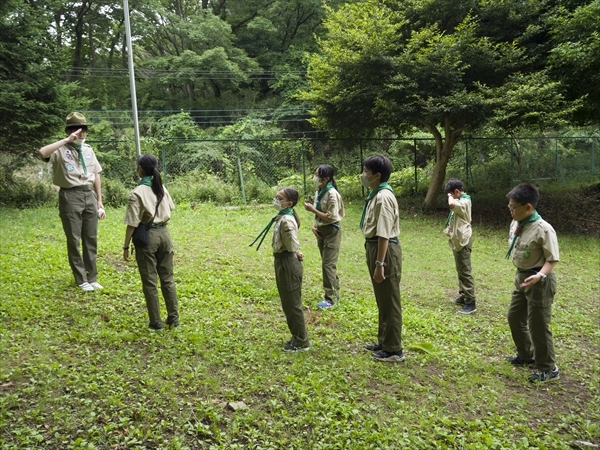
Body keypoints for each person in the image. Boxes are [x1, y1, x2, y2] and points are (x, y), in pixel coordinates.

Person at [39, 112, 105, 292]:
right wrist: (66, 140)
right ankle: (81, 279)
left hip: (89, 195)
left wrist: (99, 200)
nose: (81, 132)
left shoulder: (88, 149)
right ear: (69, 130)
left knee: (90, 238)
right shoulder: (60, 150)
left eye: (84, 129)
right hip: (70, 196)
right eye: (77, 129)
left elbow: (96, 175)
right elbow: (42, 152)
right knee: (74, 239)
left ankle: (92, 277)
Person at [505, 183, 560, 382]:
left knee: (538, 324)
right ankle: (526, 355)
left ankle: (548, 368)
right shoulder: (517, 223)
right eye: (509, 207)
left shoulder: (544, 229)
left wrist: (540, 275)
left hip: (540, 280)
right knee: (514, 316)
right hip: (522, 277)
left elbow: (552, 259)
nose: (510, 211)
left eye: (513, 207)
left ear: (528, 207)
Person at [123, 154, 178, 330]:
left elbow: (132, 223)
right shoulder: (161, 187)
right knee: (168, 278)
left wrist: (125, 246)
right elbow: (170, 208)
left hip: (148, 237)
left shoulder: (137, 192)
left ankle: (155, 321)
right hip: (165, 235)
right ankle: (173, 317)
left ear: (140, 168)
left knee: (150, 281)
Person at [250, 187, 309, 351]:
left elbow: (291, 244)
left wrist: (296, 252)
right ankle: (297, 336)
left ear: (289, 203)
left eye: (280, 198)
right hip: (283, 260)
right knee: (287, 303)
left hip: (287, 262)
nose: (276, 199)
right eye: (276, 196)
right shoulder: (282, 217)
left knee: (292, 304)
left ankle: (301, 341)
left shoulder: (286, 220)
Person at [360, 155, 404, 363]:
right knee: (382, 298)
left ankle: (394, 349)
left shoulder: (383, 197)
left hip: (383, 249)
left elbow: (384, 233)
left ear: (377, 175)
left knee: (390, 299)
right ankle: (384, 341)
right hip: (375, 247)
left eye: (366, 172)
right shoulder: (375, 194)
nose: (363, 175)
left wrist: (380, 263)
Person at [303, 164, 345, 308]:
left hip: (331, 231)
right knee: (327, 265)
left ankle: (330, 299)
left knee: (328, 265)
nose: (315, 177)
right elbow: (320, 212)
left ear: (326, 178)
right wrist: (314, 226)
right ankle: (335, 293)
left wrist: (312, 210)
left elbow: (332, 217)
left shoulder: (332, 194)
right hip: (321, 230)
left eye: (317, 175)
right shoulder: (319, 190)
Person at [443, 178, 477, 314]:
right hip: (458, 239)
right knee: (460, 269)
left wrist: (450, 197)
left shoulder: (464, 201)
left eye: (451, 194)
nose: (450, 197)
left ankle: (471, 302)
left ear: (457, 191)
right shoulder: (461, 200)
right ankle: (464, 295)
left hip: (463, 240)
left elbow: (451, 205)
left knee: (465, 271)